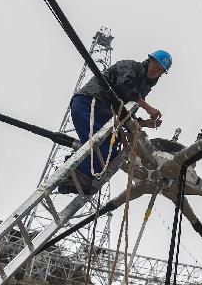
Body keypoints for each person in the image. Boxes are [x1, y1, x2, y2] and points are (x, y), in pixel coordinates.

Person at [60, 50, 172, 193]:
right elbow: (125, 87)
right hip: (91, 102)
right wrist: (149, 108)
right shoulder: (130, 67)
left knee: (111, 151)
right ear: (149, 60)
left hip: (106, 113)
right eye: (156, 66)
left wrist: (145, 123)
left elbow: (127, 114)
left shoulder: (144, 87)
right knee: (101, 145)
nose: (157, 71)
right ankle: (75, 175)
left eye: (161, 70)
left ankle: (79, 177)